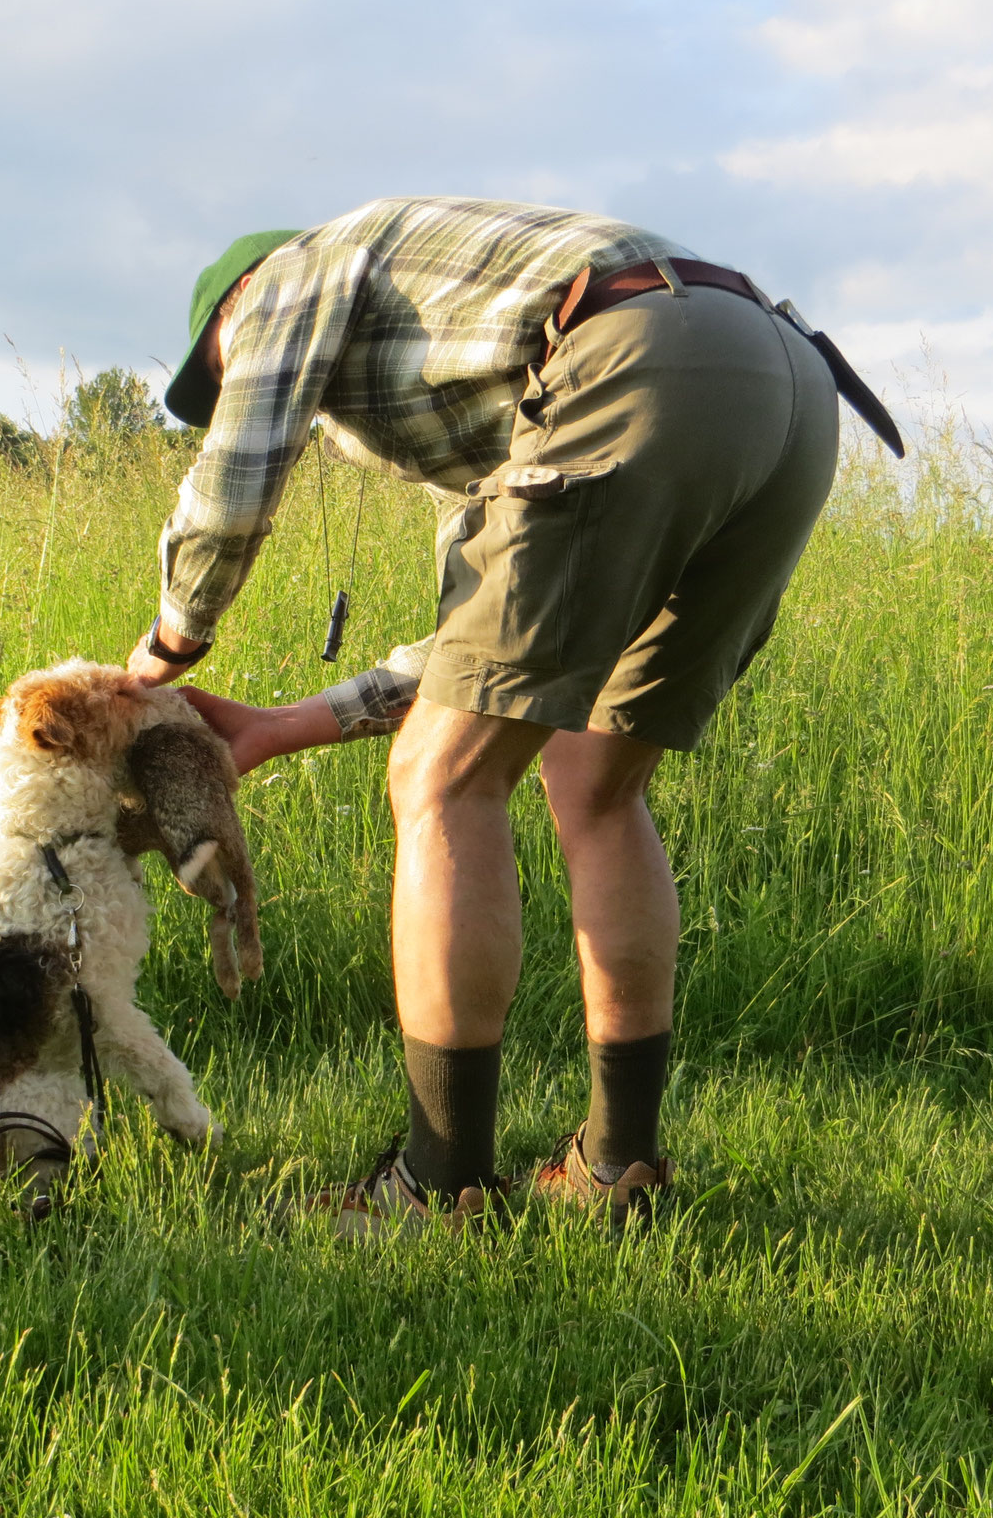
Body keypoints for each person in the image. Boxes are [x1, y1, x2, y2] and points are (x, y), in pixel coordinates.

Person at [127, 197, 866, 1236]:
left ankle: (438, 1187)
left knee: (439, 783)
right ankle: (620, 1170)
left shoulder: (293, 273)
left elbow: (237, 474)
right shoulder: (485, 395)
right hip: (786, 389)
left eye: (216, 369)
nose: (230, 387)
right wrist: (279, 726)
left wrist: (163, 650)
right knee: (592, 781)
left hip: (633, 355)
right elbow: (472, 657)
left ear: (236, 306)